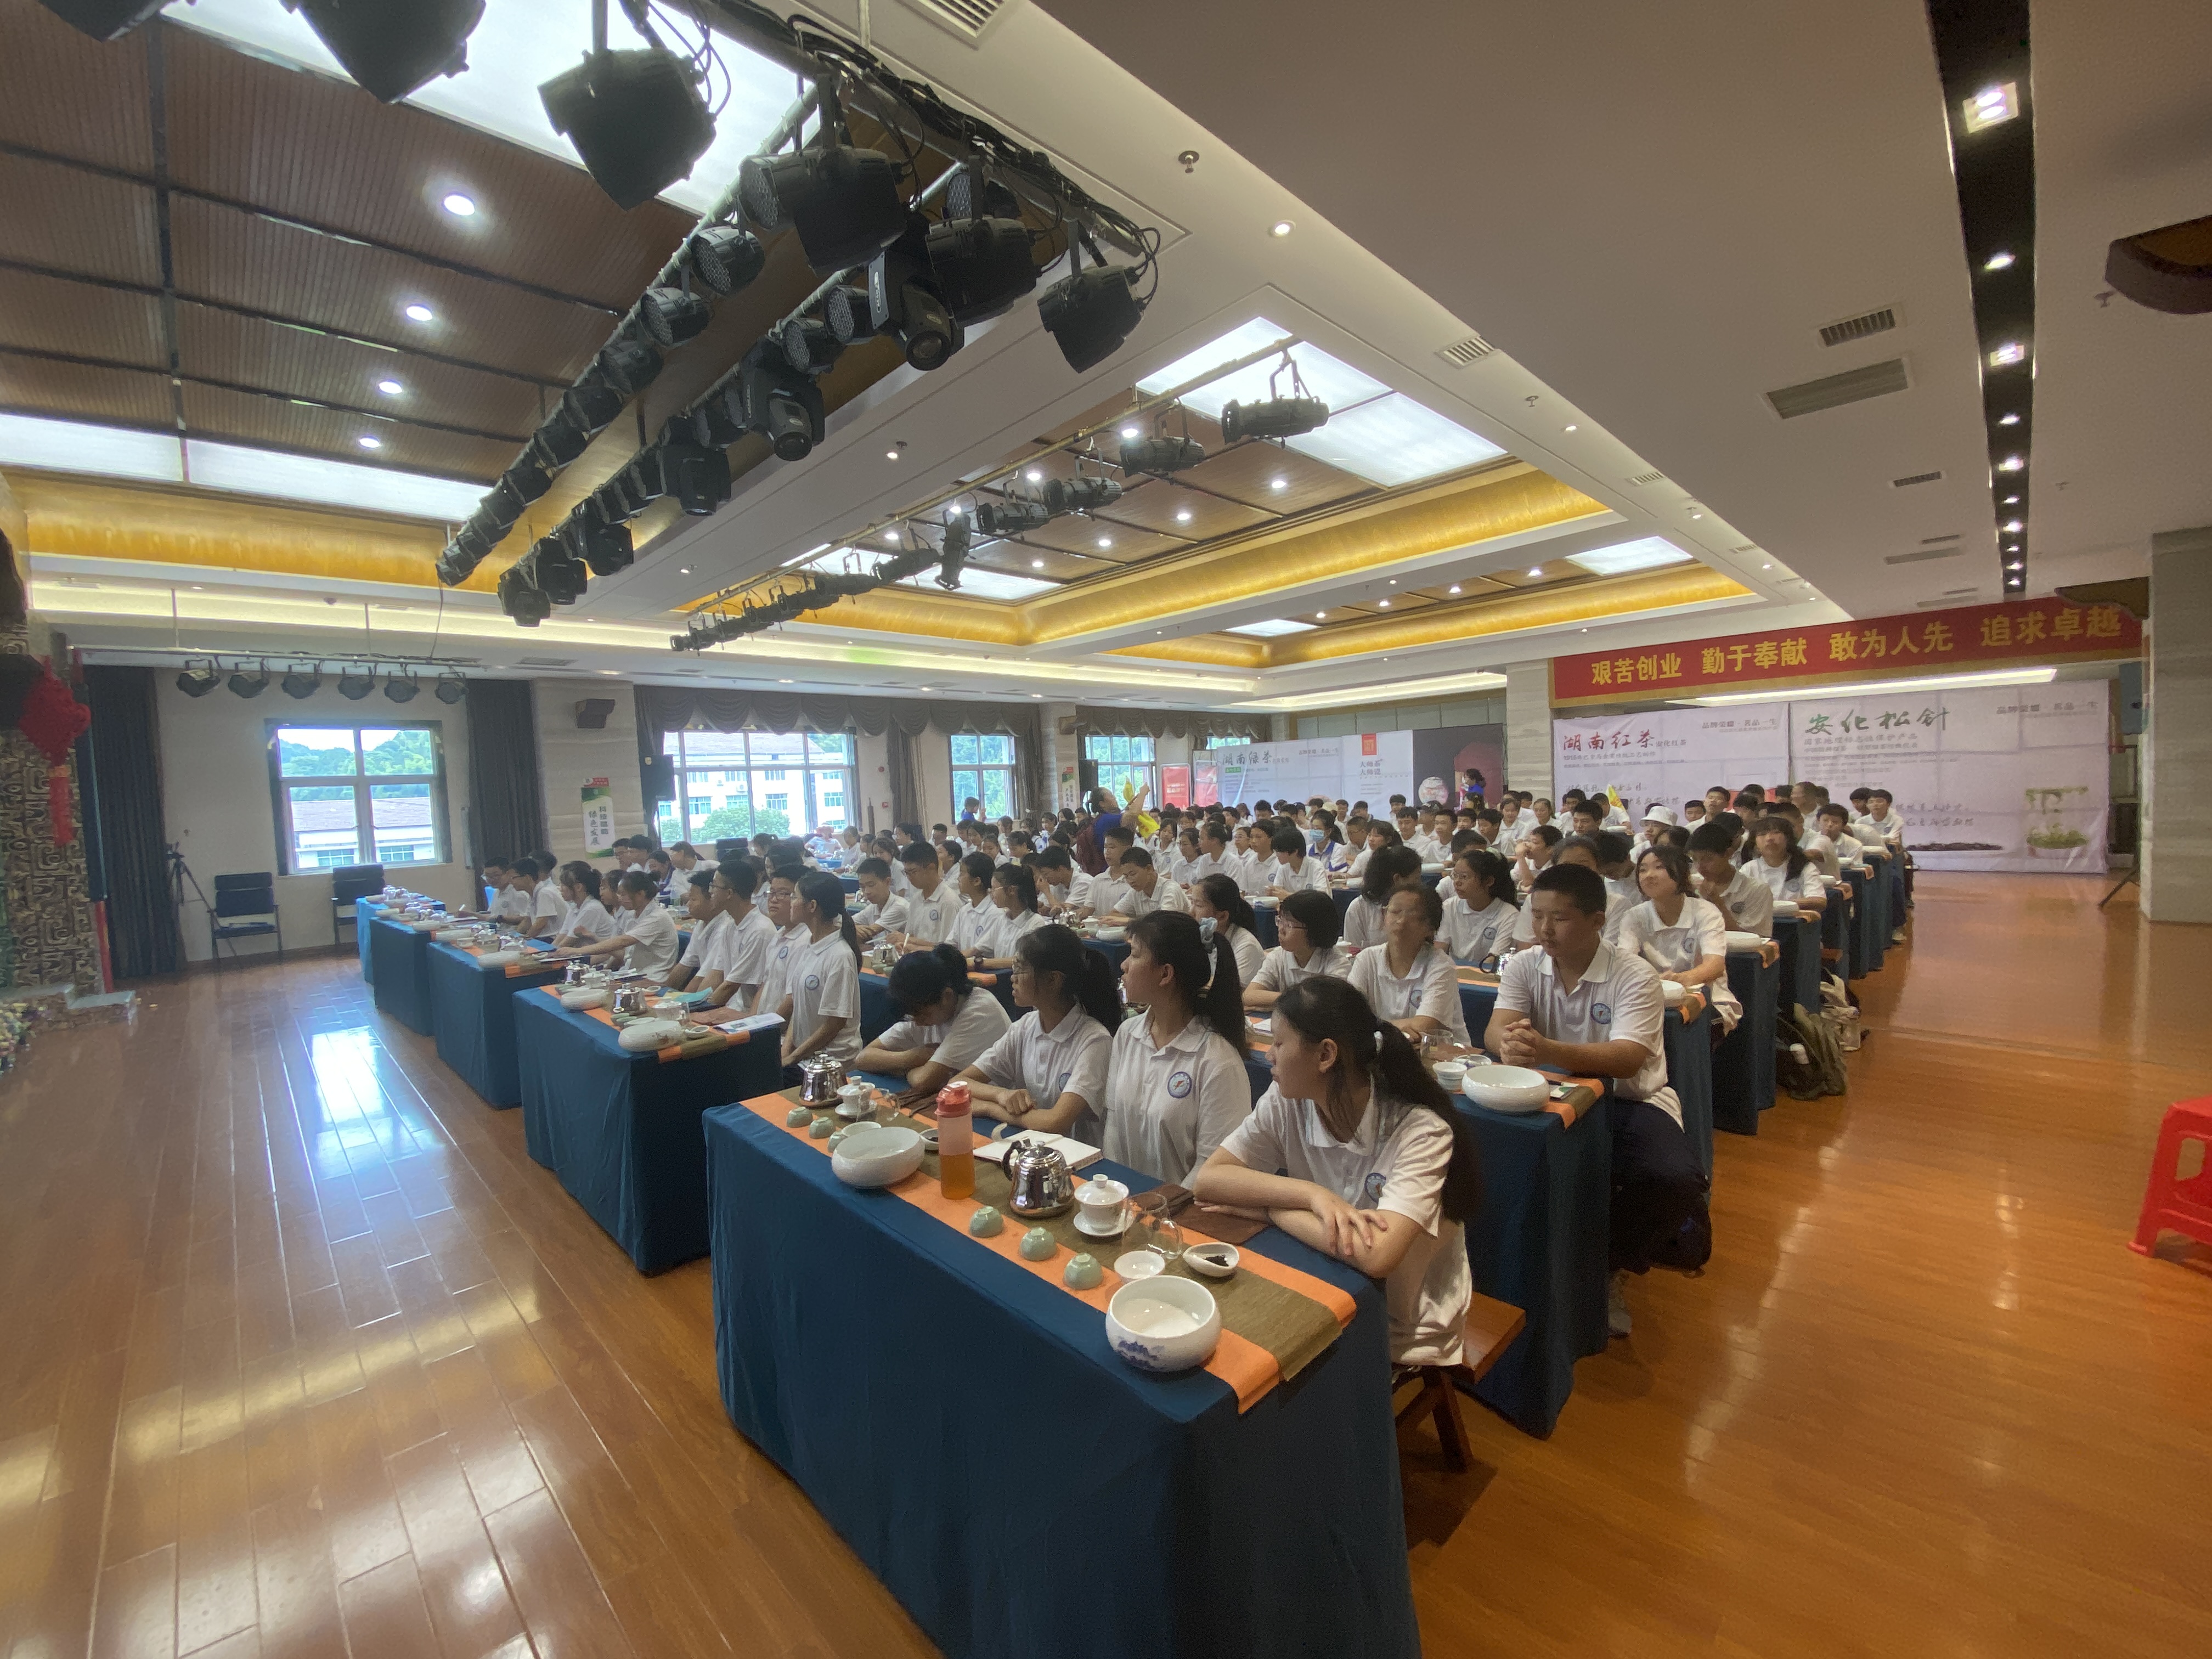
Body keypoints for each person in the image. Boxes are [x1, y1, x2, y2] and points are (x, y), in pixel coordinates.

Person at [1197, 977, 1479, 1366]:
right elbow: (1210, 1181)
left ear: (1326, 1055)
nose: (1268, 1056)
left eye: (1279, 1044)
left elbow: (1377, 1257)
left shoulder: (1420, 1130)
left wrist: (1270, 1211)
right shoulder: (1288, 1100)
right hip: (1324, 1279)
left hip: (1402, 1318)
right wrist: (1312, 1196)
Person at [1487, 863, 1710, 1339]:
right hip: (1544, 1095)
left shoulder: (1634, 975)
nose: (1544, 929)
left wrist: (1547, 1049)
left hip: (1626, 1102)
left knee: (1676, 1177)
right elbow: (1496, 1028)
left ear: (1597, 920)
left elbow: (1628, 1059)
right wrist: (1507, 1045)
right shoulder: (1526, 964)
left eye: (1560, 918)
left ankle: (1611, 1267)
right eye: (1538, 915)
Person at [1097, 911, 1250, 1184]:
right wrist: (1113, 1189)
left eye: (1134, 955)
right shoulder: (1127, 1034)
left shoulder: (1217, 1060)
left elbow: (1212, 1167)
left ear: (1166, 974)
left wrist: (1159, 1210)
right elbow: (1115, 1124)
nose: (1123, 965)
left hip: (1182, 1214)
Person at [957, 923, 1121, 1142]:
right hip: (1032, 1147)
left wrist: (989, 1108)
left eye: (1020, 969)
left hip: (1078, 1161)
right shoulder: (1025, 1026)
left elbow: (1056, 1122)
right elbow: (959, 1083)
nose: (1012, 978)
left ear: (1053, 979)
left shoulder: (1094, 1040)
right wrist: (1002, 1095)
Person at [857, 941, 1014, 1101]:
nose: (916, 1022)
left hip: (998, 1104)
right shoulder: (925, 1009)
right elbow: (863, 1058)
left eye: (920, 1014)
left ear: (947, 996)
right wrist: (909, 1058)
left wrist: (905, 1068)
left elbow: (924, 1081)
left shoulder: (979, 1012)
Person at [1616, 843, 1736, 1031]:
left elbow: (1715, 966)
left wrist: (1683, 979)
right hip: (1653, 998)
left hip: (1707, 998)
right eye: (1643, 870)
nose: (1649, 875)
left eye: (1659, 867)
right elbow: (1625, 963)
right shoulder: (1634, 917)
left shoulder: (1705, 911)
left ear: (1680, 874)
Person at [1349, 881, 1470, 1047]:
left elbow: (1425, 1026)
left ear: (1430, 927)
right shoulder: (1367, 959)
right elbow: (1348, 1017)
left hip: (1442, 1058)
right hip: (1386, 1052)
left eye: (1411, 915)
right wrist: (1391, 1028)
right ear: (1384, 917)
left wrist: (1369, 1027)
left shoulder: (1441, 965)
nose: (1401, 921)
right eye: (1395, 912)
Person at [776, 871, 862, 1073]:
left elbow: (835, 1024)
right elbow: (798, 1009)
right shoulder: (808, 944)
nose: (790, 902)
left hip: (831, 1062)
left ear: (812, 906)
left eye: (795, 897)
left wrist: (794, 1057)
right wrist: (787, 1051)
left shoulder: (840, 956)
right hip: (805, 1055)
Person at [556, 869, 681, 978]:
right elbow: (623, 954)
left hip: (653, 975)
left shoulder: (657, 917)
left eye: (623, 894)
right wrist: (606, 971)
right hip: (633, 972)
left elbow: (622, 941)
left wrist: (579, 951)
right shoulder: (633, 915)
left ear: (640, 894)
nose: (619, 898)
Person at [1244, 888, 1353, 1008]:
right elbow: (1249, 996)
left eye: (1289, 925)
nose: (1281, 929)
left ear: (1314, 930)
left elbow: (1325, 1004)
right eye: (1280, 921)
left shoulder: (1337, 964)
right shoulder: (1278, 956)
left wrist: (1278, 1000)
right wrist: (1294, 1000)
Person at [699, 857, 776, 1009]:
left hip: (751, 1014)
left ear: (729, 893)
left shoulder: (760, 931)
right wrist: (696, 1004)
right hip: (733, 1007)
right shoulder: (730, 925)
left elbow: (730, 986)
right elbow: (717, 974)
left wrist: (701, 1011)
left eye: (714, 886)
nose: (710, 892)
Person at [1688, 821, 1773, 938]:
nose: (1700, 867)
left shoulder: (1757, 890)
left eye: (1708, 859)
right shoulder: (1689, 886)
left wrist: (1716, 902)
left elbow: (1751, 942)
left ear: (1728, 854)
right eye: (1695, 859)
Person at [1442, 847, 1518, 966]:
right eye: (1455, 875)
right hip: (1452, 972)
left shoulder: (1509, 915)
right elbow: (1440, 950)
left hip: (1485, 976)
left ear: (1489, 881)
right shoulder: (1449, 906)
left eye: (1464, 877)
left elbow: (1493, 959)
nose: (1457, 882)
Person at [1343, 845, 1423, 951]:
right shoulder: (1359, 908)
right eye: (1416, 879)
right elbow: (1353, 953)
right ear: (1397, 879)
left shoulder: (1420, 906)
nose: (1420, 885)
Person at [1189, 873, 1266, 983]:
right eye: (1191, 903)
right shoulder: (1202, 937)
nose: (1191, 912)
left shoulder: (1246, 946)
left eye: (1199, 905)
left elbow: (1231, 992)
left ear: (1223, 916)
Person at [1747, 815, 1827, 913]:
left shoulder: (1804, 866)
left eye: (1776, 833)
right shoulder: (1749, 868)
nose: (1769, 838)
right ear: (1755, 845)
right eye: (1762, 834)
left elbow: (1820, 900)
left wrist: (1782, 905)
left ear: (1788, 839)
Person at [974, 862, 1048, 967]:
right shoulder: (1002, 919)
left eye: (994, 889)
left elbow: (1020, 960)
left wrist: (979, 963)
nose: (991, 894)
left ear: (1011, 890)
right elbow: (978, 948)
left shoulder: (1035, 922)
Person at [1086, 847, 1191, 921]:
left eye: (1133, 874)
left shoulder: (1170, 889)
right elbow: (1114, 914)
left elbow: (1163, 924)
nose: (1130, 881)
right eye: (1126, 876)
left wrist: (1129, 922)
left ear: (1149, 869)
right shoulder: (1135, 892)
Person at [890, 840, 958, 948]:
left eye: (913, 872)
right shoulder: (917, 898)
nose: (909, 877)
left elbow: (948, 950)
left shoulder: (949, 901)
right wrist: (903, 944)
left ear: (931, 868)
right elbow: (910, 934)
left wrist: (912, 943)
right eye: (906, 873)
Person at [549, 861, 618, 948]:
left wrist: (550, 955)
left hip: (599, 957)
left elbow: (569, 941)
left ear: (578, 887)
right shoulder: (575, 907)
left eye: (563, 885)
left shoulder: (592, 908)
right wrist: (547, 951)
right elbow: (563, 935)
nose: (560, 888)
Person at [848, 856, 908, 944]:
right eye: (863, 887)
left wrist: (850, 928)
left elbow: (870, 932)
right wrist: (851, 927)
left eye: (871, 885)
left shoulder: (900, 906)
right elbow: (849, 922)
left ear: (887, 882)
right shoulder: (873, 907)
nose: (867, 892)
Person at [509, 857, 567, 941]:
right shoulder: (534, 893)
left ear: (527, 877)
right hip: (543, 938)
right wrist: (515, 937)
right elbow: (528, 921)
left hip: (552, 939)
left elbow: (541, 923)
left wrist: (524, 940)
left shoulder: (545, 893)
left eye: (513, 878)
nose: (511, 882)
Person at [1265, 824, 1331, 897]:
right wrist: (1273, 892)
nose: (1276, 854)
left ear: (1295, 851)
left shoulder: (1316, 866)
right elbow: (1278, 890)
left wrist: (1288, 896)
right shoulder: (1283, 867)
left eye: (1278, 851)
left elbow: (1321, 897)